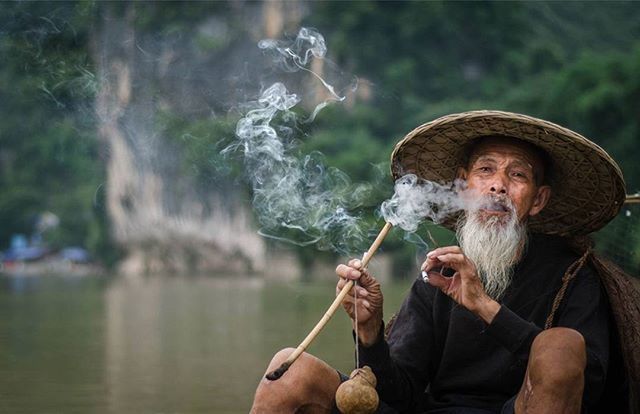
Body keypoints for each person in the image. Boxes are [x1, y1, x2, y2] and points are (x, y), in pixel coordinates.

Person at [251, 111, 633, 413]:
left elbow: (589, 384)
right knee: (288, 368)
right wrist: (369, 332)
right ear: (465, 185)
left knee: (560, 347)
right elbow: (398, 394)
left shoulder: (574, 276)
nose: (498, 184)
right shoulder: (438, 274)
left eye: (517, 175)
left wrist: (484, 306)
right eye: (486, 171)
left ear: (538, 200)